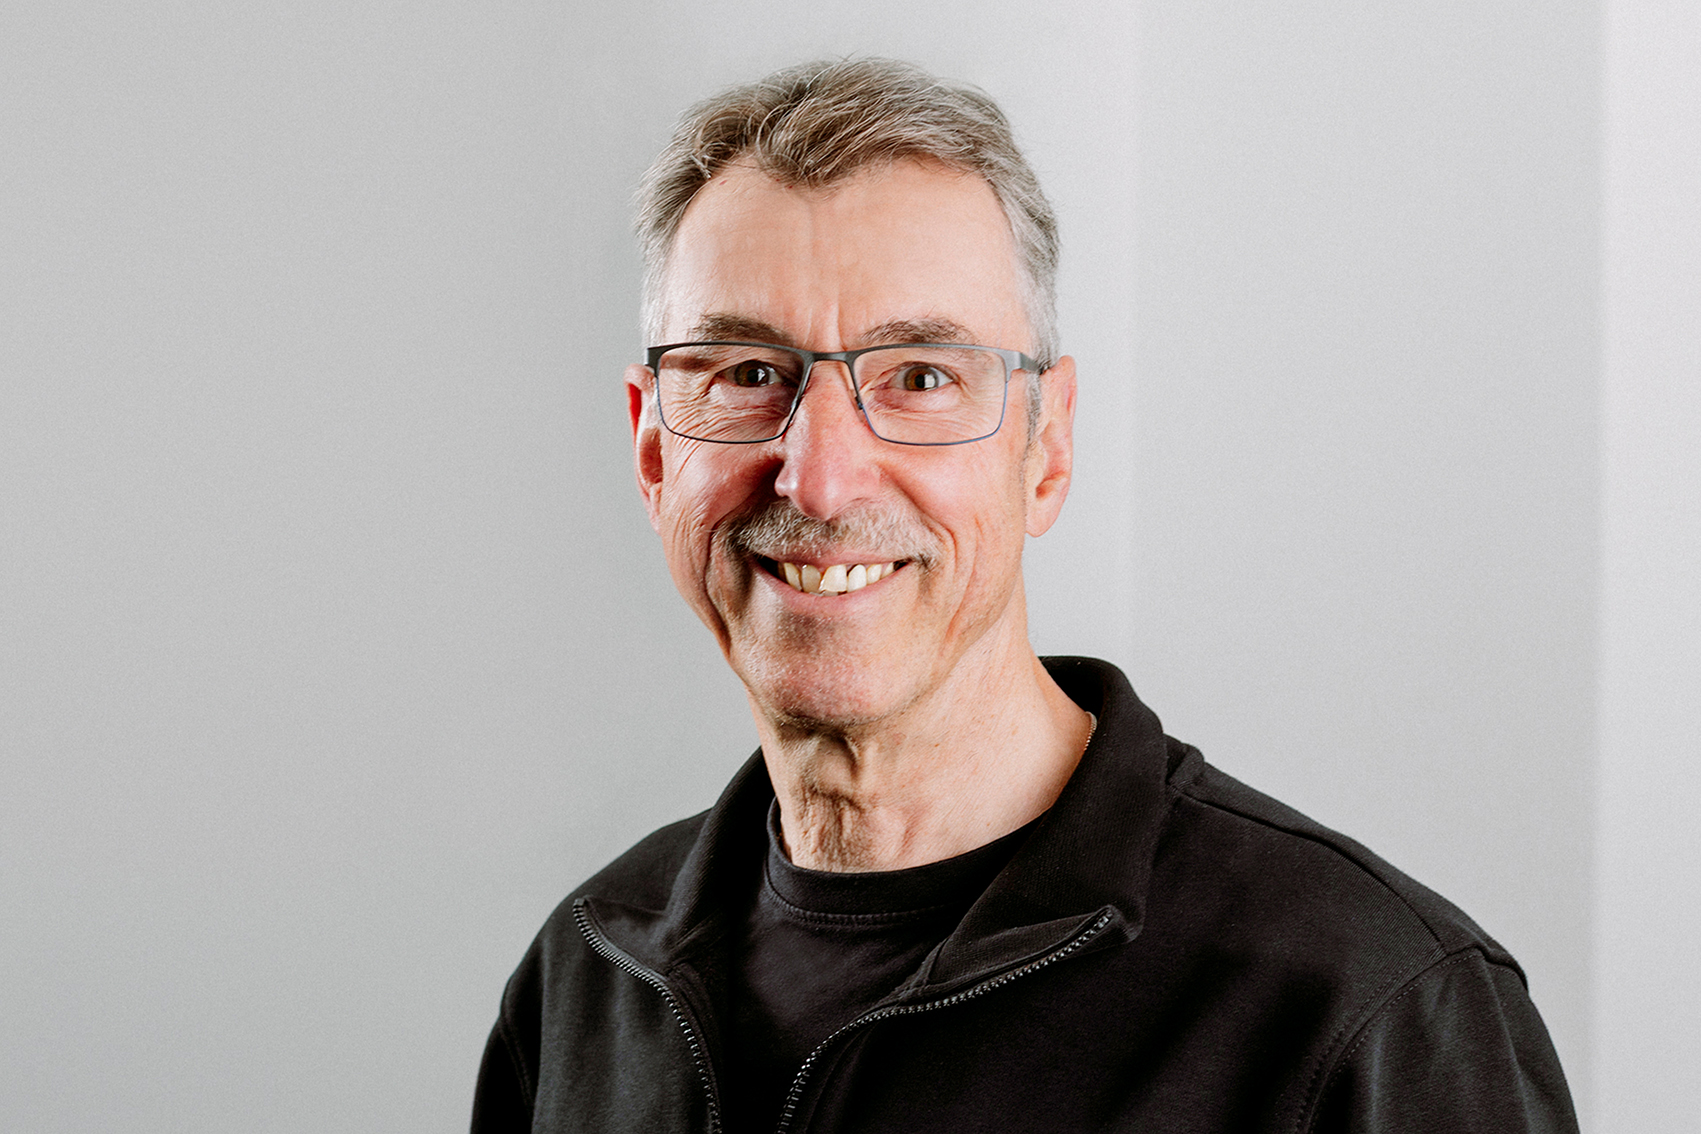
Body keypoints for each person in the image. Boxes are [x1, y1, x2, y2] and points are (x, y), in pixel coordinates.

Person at [471, 58, 1577, 1133]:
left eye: (921, 377)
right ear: (653, 453)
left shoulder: (1366, 1012)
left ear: (1046, 450)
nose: (819, 476)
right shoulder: (585, 979)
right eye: (747, 374)